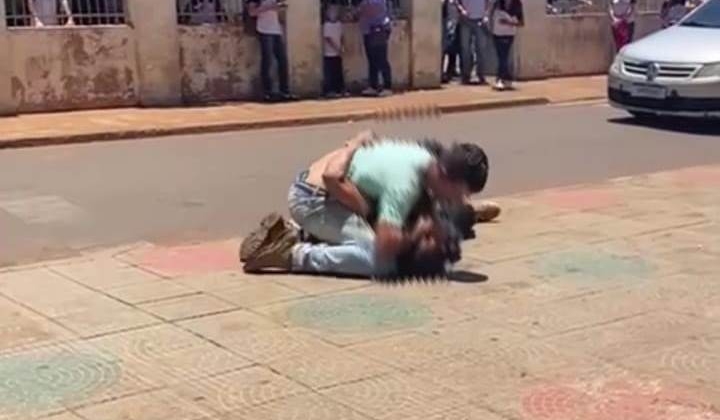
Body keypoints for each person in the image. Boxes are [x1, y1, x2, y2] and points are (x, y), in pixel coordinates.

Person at [242, 133, 490, 278]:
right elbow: (333, 178)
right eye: (461, 193)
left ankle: (294, 231)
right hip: (314, 200)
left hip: (316, 190)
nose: (460, 199)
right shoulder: (406, 183)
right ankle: (292, 255)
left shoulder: (423, 159)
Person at [247, 0, 296, 102]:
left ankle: (285, 91)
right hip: (264, 30)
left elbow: (281, 8)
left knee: (282, 60)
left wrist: (280, 7)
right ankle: (267, 92)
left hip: (276, 29)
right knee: (267, 61)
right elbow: (252, 12)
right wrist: (268, 7)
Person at [358, 0, 393, 97]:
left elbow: (370, 10)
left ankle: (387, 87)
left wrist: (361, 9)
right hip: (367, 30)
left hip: (379, 29)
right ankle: (373, 86)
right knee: (372, 59)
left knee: (381, 59)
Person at [490, 0, 524, 91]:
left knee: (503, 57)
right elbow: (492, 16)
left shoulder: (517, 4)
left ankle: (501, 79)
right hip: (497, 33)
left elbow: (521, 23)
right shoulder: (497, 3)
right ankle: (506, 78)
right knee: (501, 57)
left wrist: (508, 23)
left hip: (509, 35)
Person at [457, 0, 491, 85]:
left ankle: (481, 75)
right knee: (465, 49)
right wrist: (462, 10)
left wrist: (486, 15)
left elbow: (489, 2)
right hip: (466, 20)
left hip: (480, 20)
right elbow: (456, 2)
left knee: (481, 49)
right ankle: (466, 75)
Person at [323, 4, 347, 98]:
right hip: (329, 53)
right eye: (331, 12)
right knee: (330, 73)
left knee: (338, 72)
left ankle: (340, 89)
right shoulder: (327, 25)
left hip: (338, 53)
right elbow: (328, 39)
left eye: (335, 12)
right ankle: (329, 90)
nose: (333, 14)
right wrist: (337, 48)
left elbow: (342, 36)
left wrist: (343, 47)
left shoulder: (339, 24)